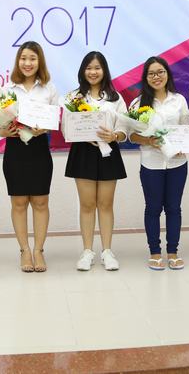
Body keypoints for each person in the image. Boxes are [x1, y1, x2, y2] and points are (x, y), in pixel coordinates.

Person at [64, 51, 127, 271]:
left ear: (104, 70)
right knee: (87, 204)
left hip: (109, 152)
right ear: (83, 71)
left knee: (106, 204)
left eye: (97, 68)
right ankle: (87, 251)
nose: (93, 72)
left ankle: (107, 251)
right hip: (83, 152)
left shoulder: (115, 97)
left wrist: (115, 136)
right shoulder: (73, 97)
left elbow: (124, 127)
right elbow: (65, 128)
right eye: (89, 68)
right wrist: (81, 133)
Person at [0, 41, 58, 272]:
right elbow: (0, 127)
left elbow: (54, 121)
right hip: (15, 149)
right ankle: (24, 250)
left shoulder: (49, 89)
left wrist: (45, 128)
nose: (27, 63)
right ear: (18, 61)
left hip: (39, 148)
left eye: (32, 58)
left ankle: (38, 250)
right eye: (23, 58)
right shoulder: (7, 89)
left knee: (41, 202)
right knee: (19, 202)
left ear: (39, 61)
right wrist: (4, 131)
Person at [129, 57, 189, 270]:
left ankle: (173, 251)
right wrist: (149, 141)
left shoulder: (179, 100)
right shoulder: (138, 103)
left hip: (177, 163)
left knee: (174, 208)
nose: (156, 77)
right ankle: (154, 252)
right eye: (151, 73)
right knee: (153, 208)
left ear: (167, 74)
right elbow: (131, 136)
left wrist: (183, 145)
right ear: (145, 77)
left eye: (160, 72)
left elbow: (185, 129)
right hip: (151, 164)